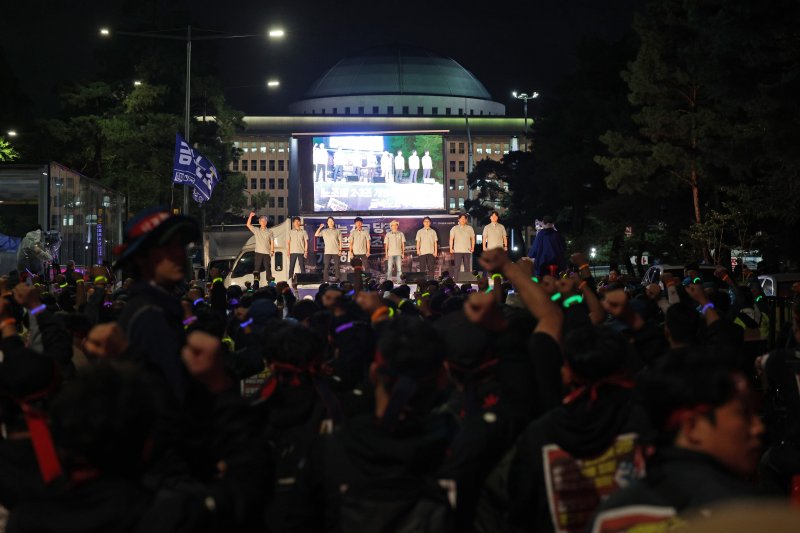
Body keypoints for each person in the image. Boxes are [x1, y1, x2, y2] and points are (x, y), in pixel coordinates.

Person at [588, 353, 764, 532]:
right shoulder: (756, 516)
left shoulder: (612, 518)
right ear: (692, 426)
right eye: (744, 414)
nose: (758, 428)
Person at [246, 212, 274, 283]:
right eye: (262, 221)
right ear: (259, 222)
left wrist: (272, 251)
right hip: (258, 252)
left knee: (268, 267)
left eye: (265, 221)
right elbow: (248, 225)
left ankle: (269, 280)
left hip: (267, 252)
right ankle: (256, 280)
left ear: (266, 222)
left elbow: (272, 241)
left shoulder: (270, 232)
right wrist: (250, 216)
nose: (263, 222)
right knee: (257, 268)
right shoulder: (256, 230)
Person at [315, 217, 342, 282]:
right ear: (327, 223)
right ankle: (325, 280)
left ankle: (337, 280)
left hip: (336, 251)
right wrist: (320, 227)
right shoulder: (324, 231)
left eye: (332, 221)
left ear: (334, 222)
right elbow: (316, 235)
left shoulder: (337, 231)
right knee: (326, 266)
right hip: (327, 251)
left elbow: (340, 241)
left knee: (337, 267)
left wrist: (340, 250)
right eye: (329, 221)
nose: (331, 222)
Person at [287, 216, 308, 281]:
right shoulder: (290, 232)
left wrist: (305, 251)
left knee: (302, 267)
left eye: (298, 221)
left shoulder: (303, 232)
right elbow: (288, 242)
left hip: (301, 251)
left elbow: (306, 242)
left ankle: (303, 280)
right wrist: (288, 251)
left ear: (300, 222)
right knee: (291, 267)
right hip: (292, 251)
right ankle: (290, 279)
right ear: (293, 223)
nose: (296, 223)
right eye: (295, 221)